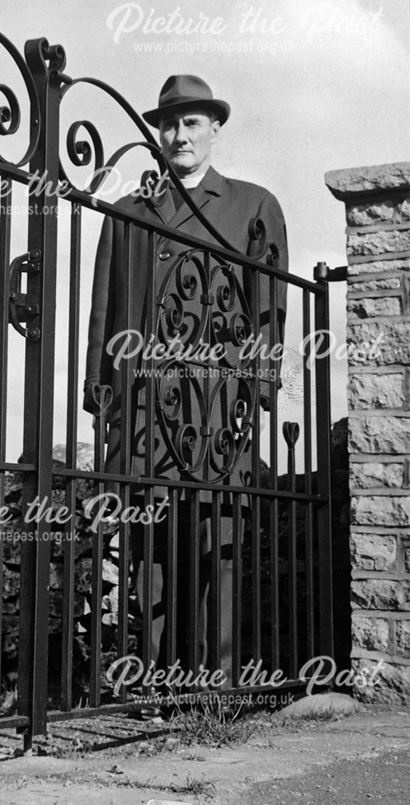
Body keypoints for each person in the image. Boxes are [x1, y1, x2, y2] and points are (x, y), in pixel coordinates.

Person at [83, 74, 288, 682]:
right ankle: (150, 682)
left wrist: (260, 386)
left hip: (217, 405)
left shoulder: (254, 205)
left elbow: (269, 304)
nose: (179, 135)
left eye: (192, 123)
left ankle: (214, 686)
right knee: (148, 549)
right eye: (169, 124)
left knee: (216, 544)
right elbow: (104, 309)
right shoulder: (129, 212)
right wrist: (103, 395)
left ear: (215, 130)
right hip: (145, 403)